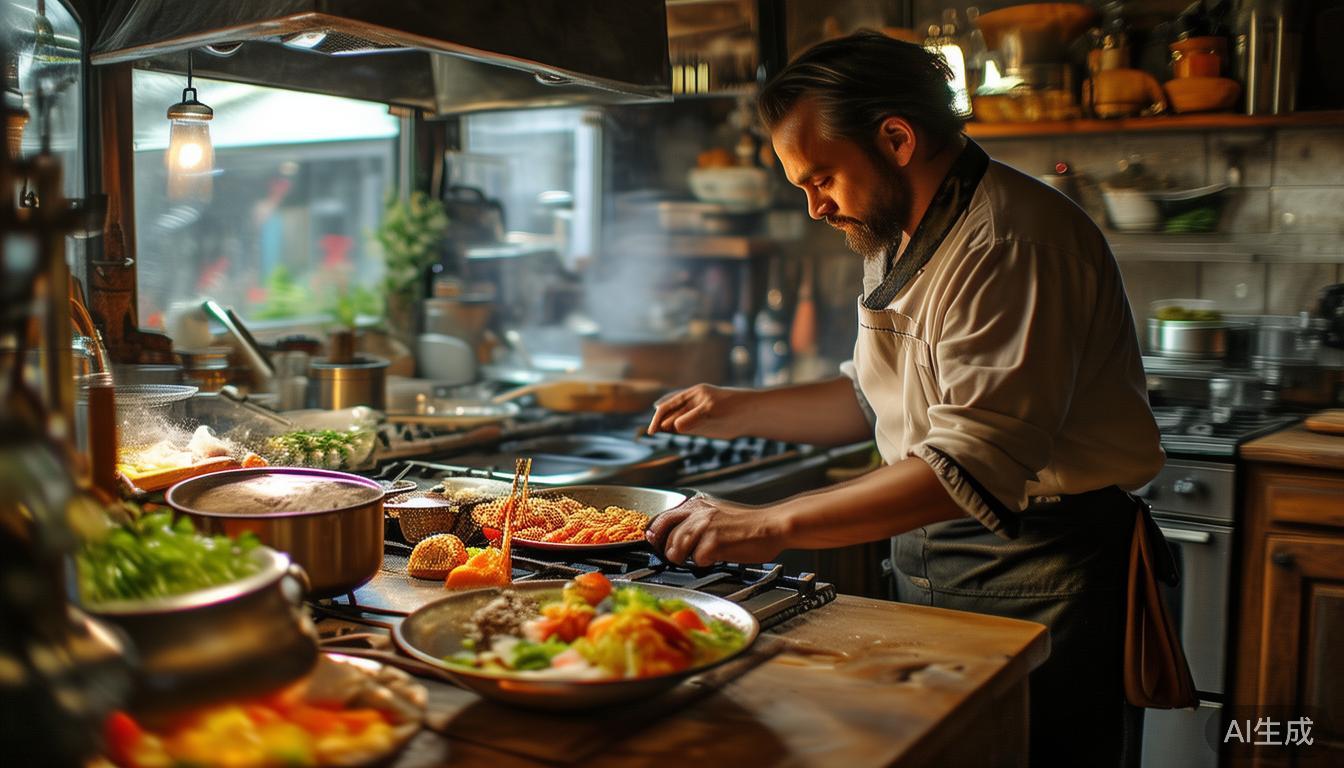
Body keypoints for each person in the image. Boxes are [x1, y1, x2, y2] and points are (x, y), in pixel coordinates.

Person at [645, 31, 1164, 767]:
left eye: (820, 177)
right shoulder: (898, 231)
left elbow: (970, 467)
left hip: (1040, 571)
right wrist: (736, 406)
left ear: (894, 138)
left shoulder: (1010, 244)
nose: (815, 206)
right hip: (937, 552)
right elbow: (875, 397)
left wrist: (767, 524)